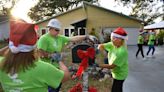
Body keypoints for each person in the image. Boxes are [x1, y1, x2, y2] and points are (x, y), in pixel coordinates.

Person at [0, 19, 70, 92]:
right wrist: (59, 61)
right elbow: (66, 76)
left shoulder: (2, 64)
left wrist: (15, 42)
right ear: (33, 47)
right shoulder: (42, 68)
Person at [37, 19, 90, 92]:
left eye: (58, 30)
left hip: (57, 66)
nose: (58, 32)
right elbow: (40, 52)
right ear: (50, 28)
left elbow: (73, 38)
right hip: (47, 67)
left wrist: (86, 37)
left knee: (57, 85)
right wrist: (50, 55)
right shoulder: (44, 39)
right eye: (56, 30)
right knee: (50, 88)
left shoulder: (60, 38)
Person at [98, 27, 128, 92]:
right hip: (115, 72)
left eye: (115, 38)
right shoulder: (113, 44)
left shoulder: (122, 52)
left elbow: (112, 66)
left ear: (121, 40)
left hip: (120, 74)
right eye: (112, 38)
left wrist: (99, 65)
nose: (112, 40)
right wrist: (100, 47)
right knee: (118, 88)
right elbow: (102, 46)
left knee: (115, 89)